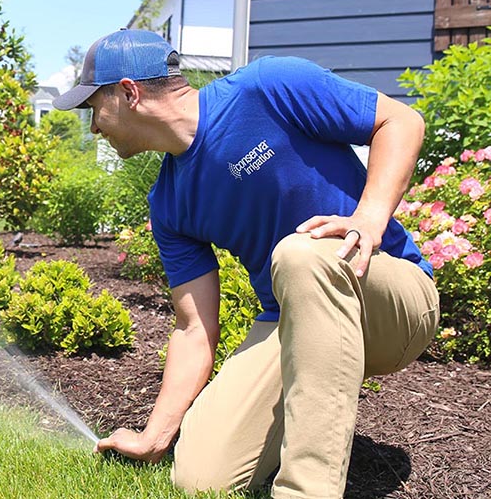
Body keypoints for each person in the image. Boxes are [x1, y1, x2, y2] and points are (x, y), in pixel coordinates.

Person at [52, 28, 438, 499]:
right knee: (200, 478)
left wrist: (369, 217)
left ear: (129, 92)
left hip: (390, 297)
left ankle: (306, 490)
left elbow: (401, 121)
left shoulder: (268, 86)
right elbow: (194, 328)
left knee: (299, 255)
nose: (94, 127)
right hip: (294, 319)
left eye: (94, 109)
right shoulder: (169, 203)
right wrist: (155, 434)